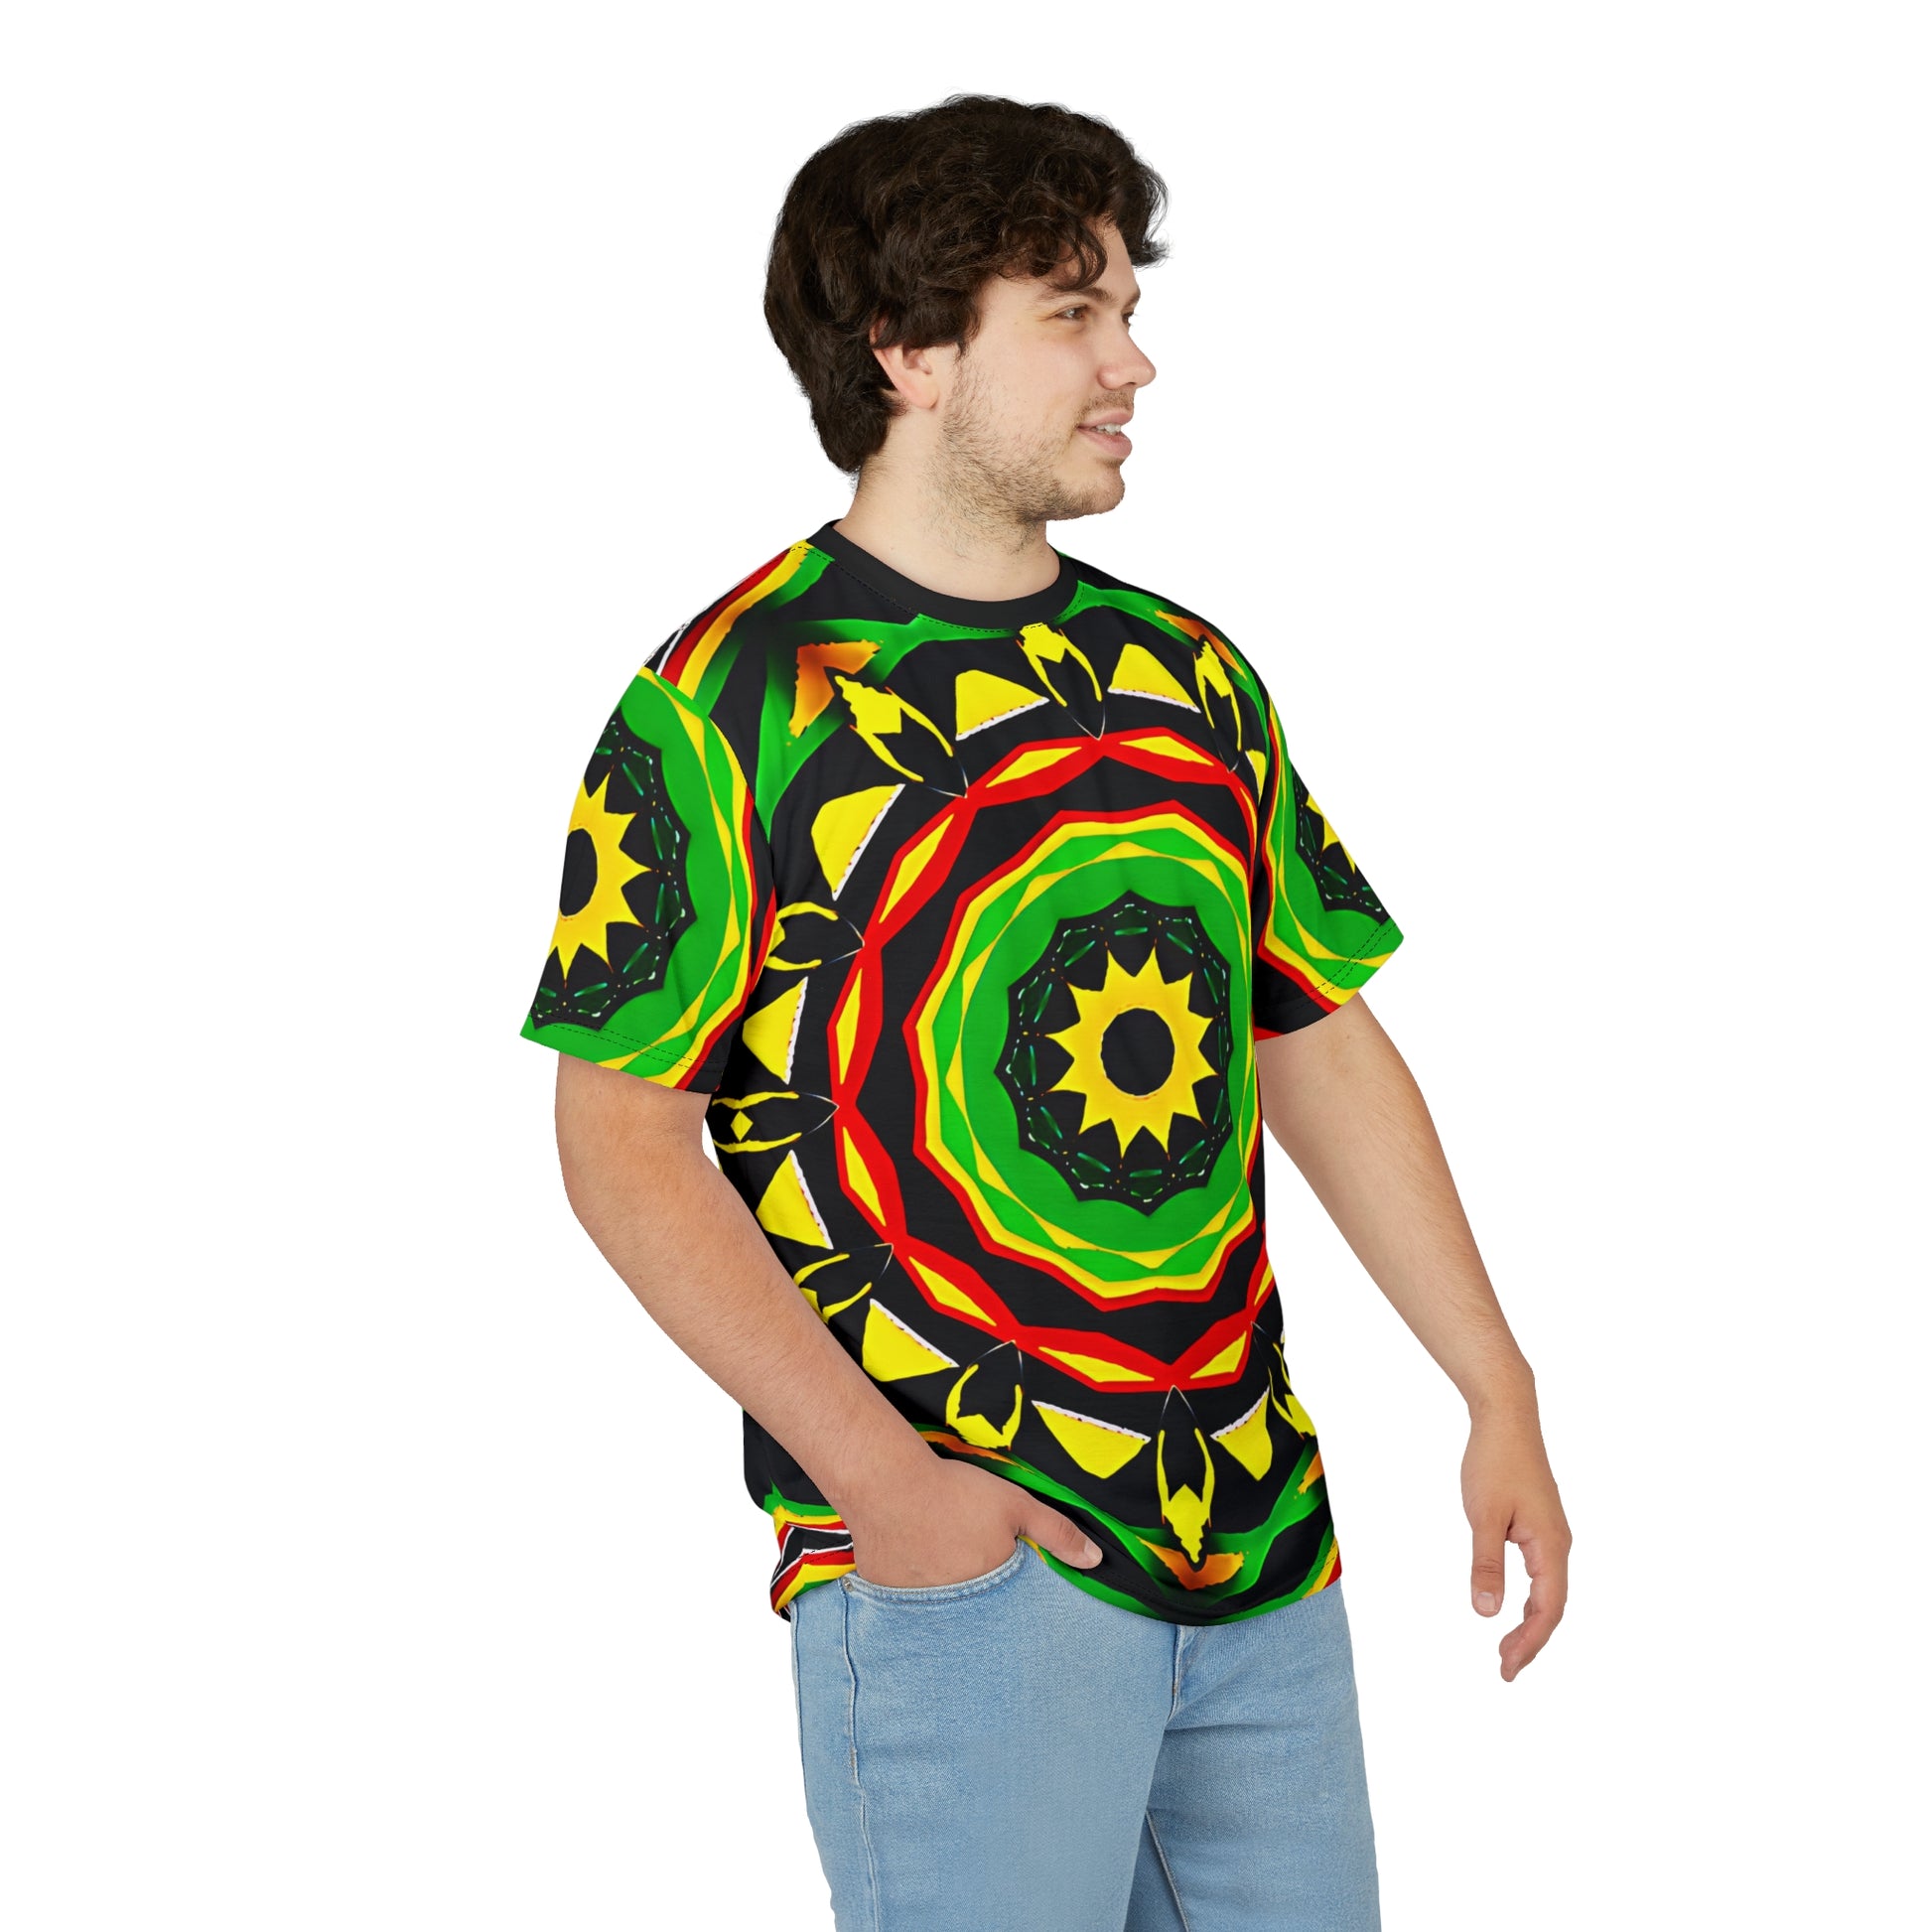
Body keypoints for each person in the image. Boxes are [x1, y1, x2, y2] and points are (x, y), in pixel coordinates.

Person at [517, 93, 1570, 1932]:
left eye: (1123, 309)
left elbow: (1308, 1030)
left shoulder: (1185, 674)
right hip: (969, 1569)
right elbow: (618, 1134)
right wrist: (886, 1486)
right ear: (907, 351)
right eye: (1071, 313)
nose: (1131, 362)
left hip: (1257, 1545)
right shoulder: (727, 700)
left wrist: (1494, 1382)